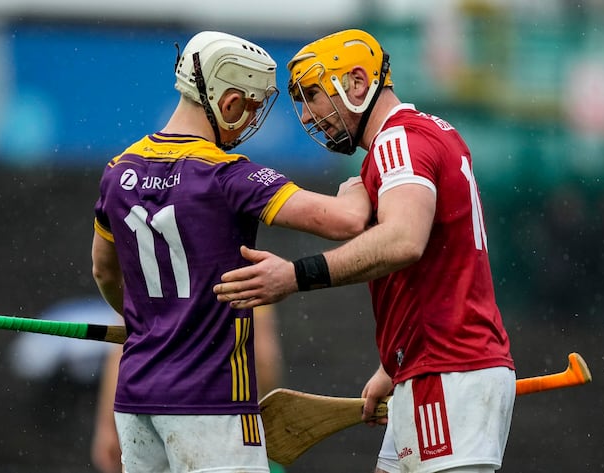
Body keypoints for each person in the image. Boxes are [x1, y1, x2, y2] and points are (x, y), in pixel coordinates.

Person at [213, 29, 515, 473]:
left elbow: (403, 240)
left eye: (312, 94)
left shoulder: (399, 142)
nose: (310, 114)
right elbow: (435, 266)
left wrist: (295, 276)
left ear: (357, 82)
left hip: (447, 372)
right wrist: (393, 365)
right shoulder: (426, 134)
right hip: (429, 366)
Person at [90, 30, 370, 473]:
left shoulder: (116, 172)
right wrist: (356, 187)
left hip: (136, 401)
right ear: (230, 102)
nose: (250, 121)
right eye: (252, 107)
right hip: (213, 401)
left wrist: (145, 325)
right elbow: (345, 222)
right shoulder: (228, 176)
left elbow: (105, 274)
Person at [90, 305, 286, 473]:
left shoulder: (139, 264)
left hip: (149, 410)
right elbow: (263, 355)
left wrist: (107, 426)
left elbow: (125, 348)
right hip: (223, 414)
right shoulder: (238, 262)